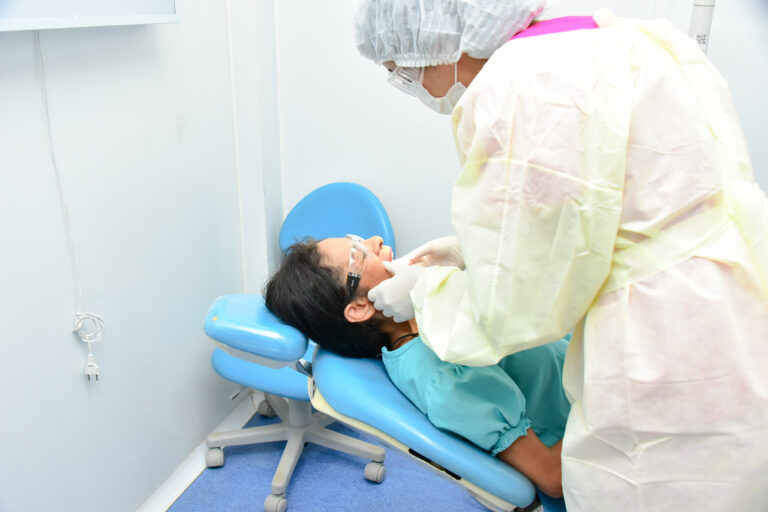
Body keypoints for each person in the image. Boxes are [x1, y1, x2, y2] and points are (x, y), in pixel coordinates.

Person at [354, 1, 768, 511]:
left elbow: (515, 303)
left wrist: (429, 290)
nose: (412, 85)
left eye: (403, 71)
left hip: (662, 341)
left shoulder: (518, 88)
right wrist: (470, 256)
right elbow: (599, 219)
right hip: (731, 292)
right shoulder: (624, 41)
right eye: (354, 255)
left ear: (437, 41)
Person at [264, 234, 570, 499]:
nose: (377, 240)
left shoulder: (430, 314)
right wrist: (598, 398)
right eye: (361, 254)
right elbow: (553, 477)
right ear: (359, 307)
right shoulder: (444, 375)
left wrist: (462, 265)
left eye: (358, 239)